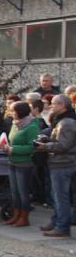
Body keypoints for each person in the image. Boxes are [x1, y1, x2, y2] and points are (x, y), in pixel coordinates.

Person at [37, 94, 76, 238]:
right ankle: (56, 221)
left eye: (53, 103)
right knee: (58, 196)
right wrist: (48, 139)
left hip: (63, 163)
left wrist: (45, 146)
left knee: (61, 197)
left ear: (62, 105)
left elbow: (63, 145)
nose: (51, 106)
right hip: (63, 162)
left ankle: (62, 226)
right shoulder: (62, 121)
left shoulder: (67, 123)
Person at [2, 101, 38, 228]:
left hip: (24, 163)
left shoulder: (32, 126)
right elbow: (12, 139)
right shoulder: (15, 124)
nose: (11, 113)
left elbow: (32, 147)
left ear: (19, 112)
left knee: (23, 192)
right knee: (14, 192)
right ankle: (16, 215)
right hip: (12, 161)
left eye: (13, 111)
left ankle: (24, 217)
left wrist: (13, 149)